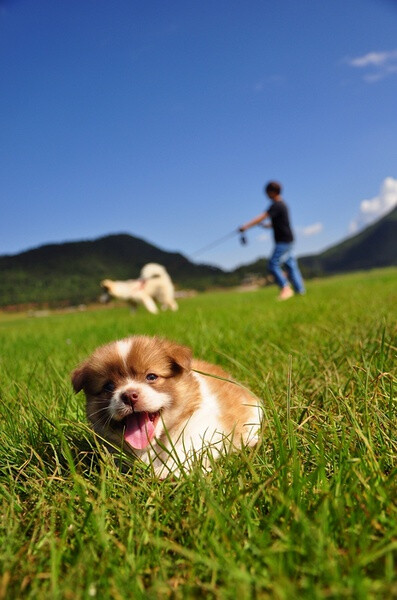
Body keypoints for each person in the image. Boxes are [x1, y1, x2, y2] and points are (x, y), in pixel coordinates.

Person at [239, 181, 305, 300]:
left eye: (267, 193)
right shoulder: (283, 205)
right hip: (289, 239)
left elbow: (262, 216)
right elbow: (278, 223)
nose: (267, 196)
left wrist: (246, 226)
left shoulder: (276, 205)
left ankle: (285, 288)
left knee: (273, 264)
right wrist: (266, 226)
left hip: (283, 240)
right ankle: (300, 290)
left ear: (272, 192)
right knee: (290, 265)